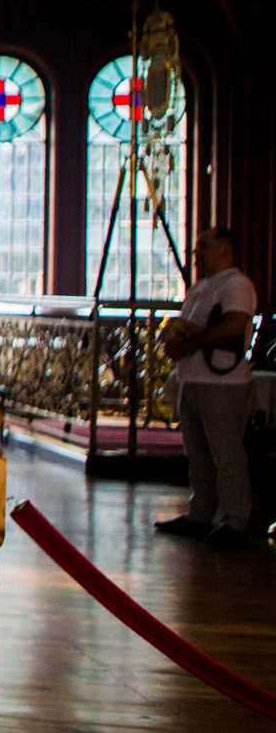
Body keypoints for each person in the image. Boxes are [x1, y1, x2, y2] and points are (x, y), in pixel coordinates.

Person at [157, 225, 259, 551]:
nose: (197, 252)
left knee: (226, 453)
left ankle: (233, 521)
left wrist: (191, 343)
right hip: (194, 378)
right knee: (197, 454)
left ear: (226, 250)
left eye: (204, 246)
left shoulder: (236, 285)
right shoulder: (201, 287)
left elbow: (233, 325)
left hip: (222, 382)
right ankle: (201, 513)